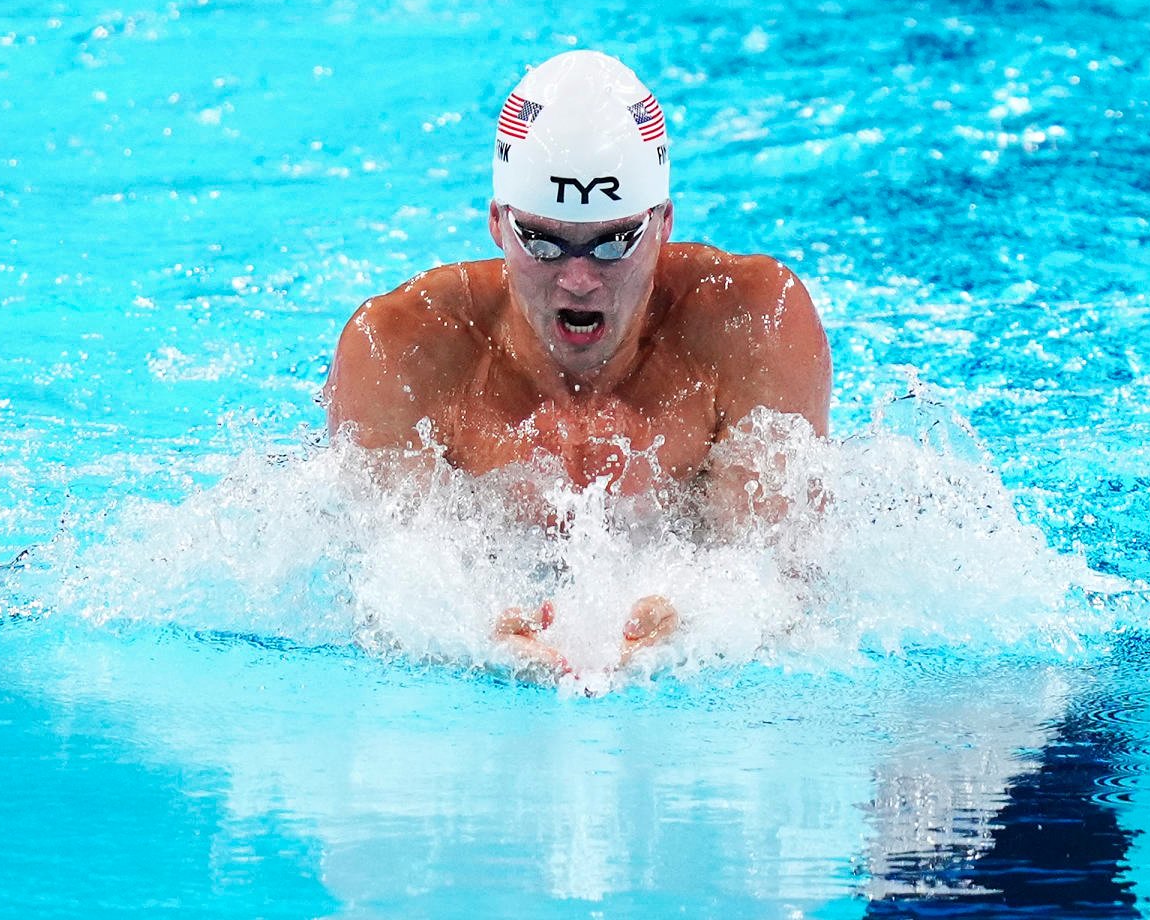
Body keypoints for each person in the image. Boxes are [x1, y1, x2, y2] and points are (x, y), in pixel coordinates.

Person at [325, 50, 831, 677]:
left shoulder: (753, 324)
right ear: (497, 225)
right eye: (542, 241)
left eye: (615, 242)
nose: (580, 279)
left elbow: (783, 576)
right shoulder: (400, 350)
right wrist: (477, 635)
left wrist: (697, 622)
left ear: (664, 222)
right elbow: (376, 592)